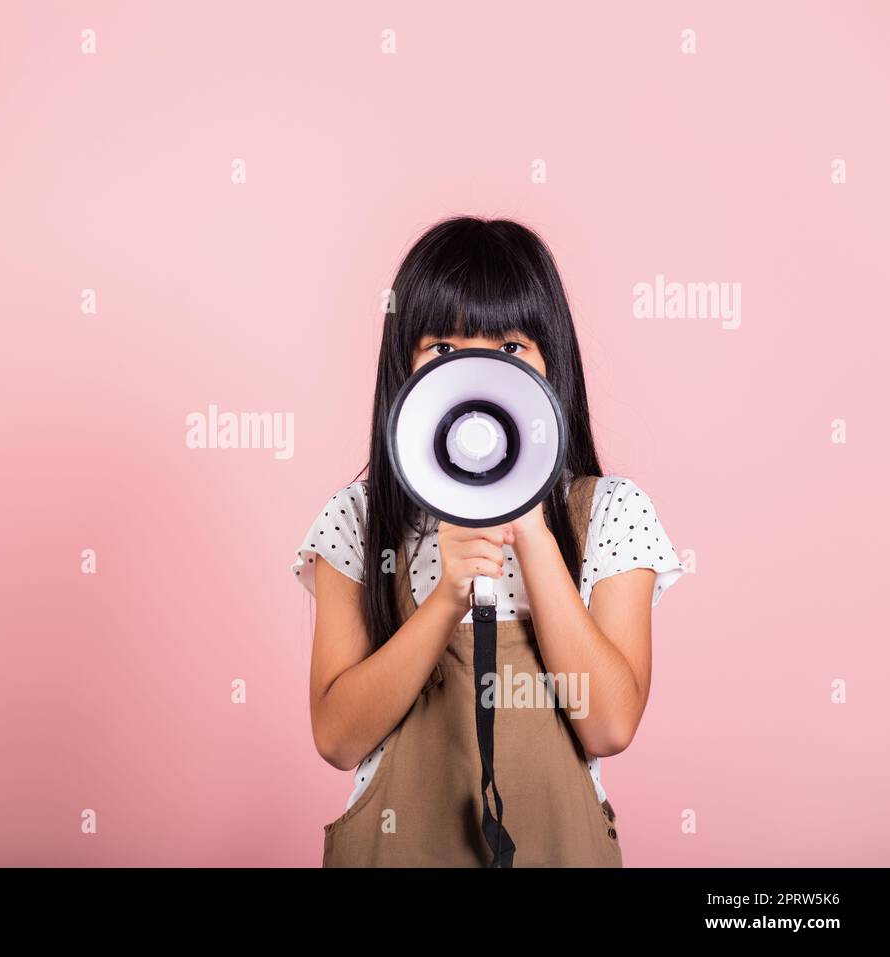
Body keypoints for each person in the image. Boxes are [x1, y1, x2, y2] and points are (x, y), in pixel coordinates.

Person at [291, 216, 685, 866]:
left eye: (510, 349)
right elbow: (336, 738)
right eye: (442, 350)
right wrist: (445, 598)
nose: (476, 371)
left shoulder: (611, 512)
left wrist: (527, 519)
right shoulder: (361, 520)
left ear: (551, 359)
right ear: (405, 367)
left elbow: (610, 724)